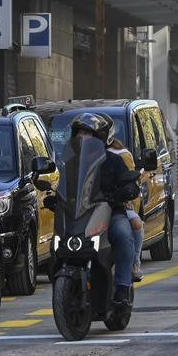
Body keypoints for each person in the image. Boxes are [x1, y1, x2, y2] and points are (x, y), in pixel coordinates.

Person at [70, 112, 140, 306]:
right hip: (79, 216)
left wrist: (126, 190)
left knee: (123, 234)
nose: (82, 137)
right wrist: (54, 198)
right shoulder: (70, 163)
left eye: (87, 133)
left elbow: (131, 184)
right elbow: (61, 187)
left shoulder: (113, 161)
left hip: (110, 212)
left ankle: (123, 289)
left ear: (99, 137)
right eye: (79, 133)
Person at [109, 137, 145, 282]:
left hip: (115, 207)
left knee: (135, 223)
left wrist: (125, 197)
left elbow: (130, 182)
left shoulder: (120, 156)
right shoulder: (78, 158)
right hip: (88, 210)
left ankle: (134, 263)